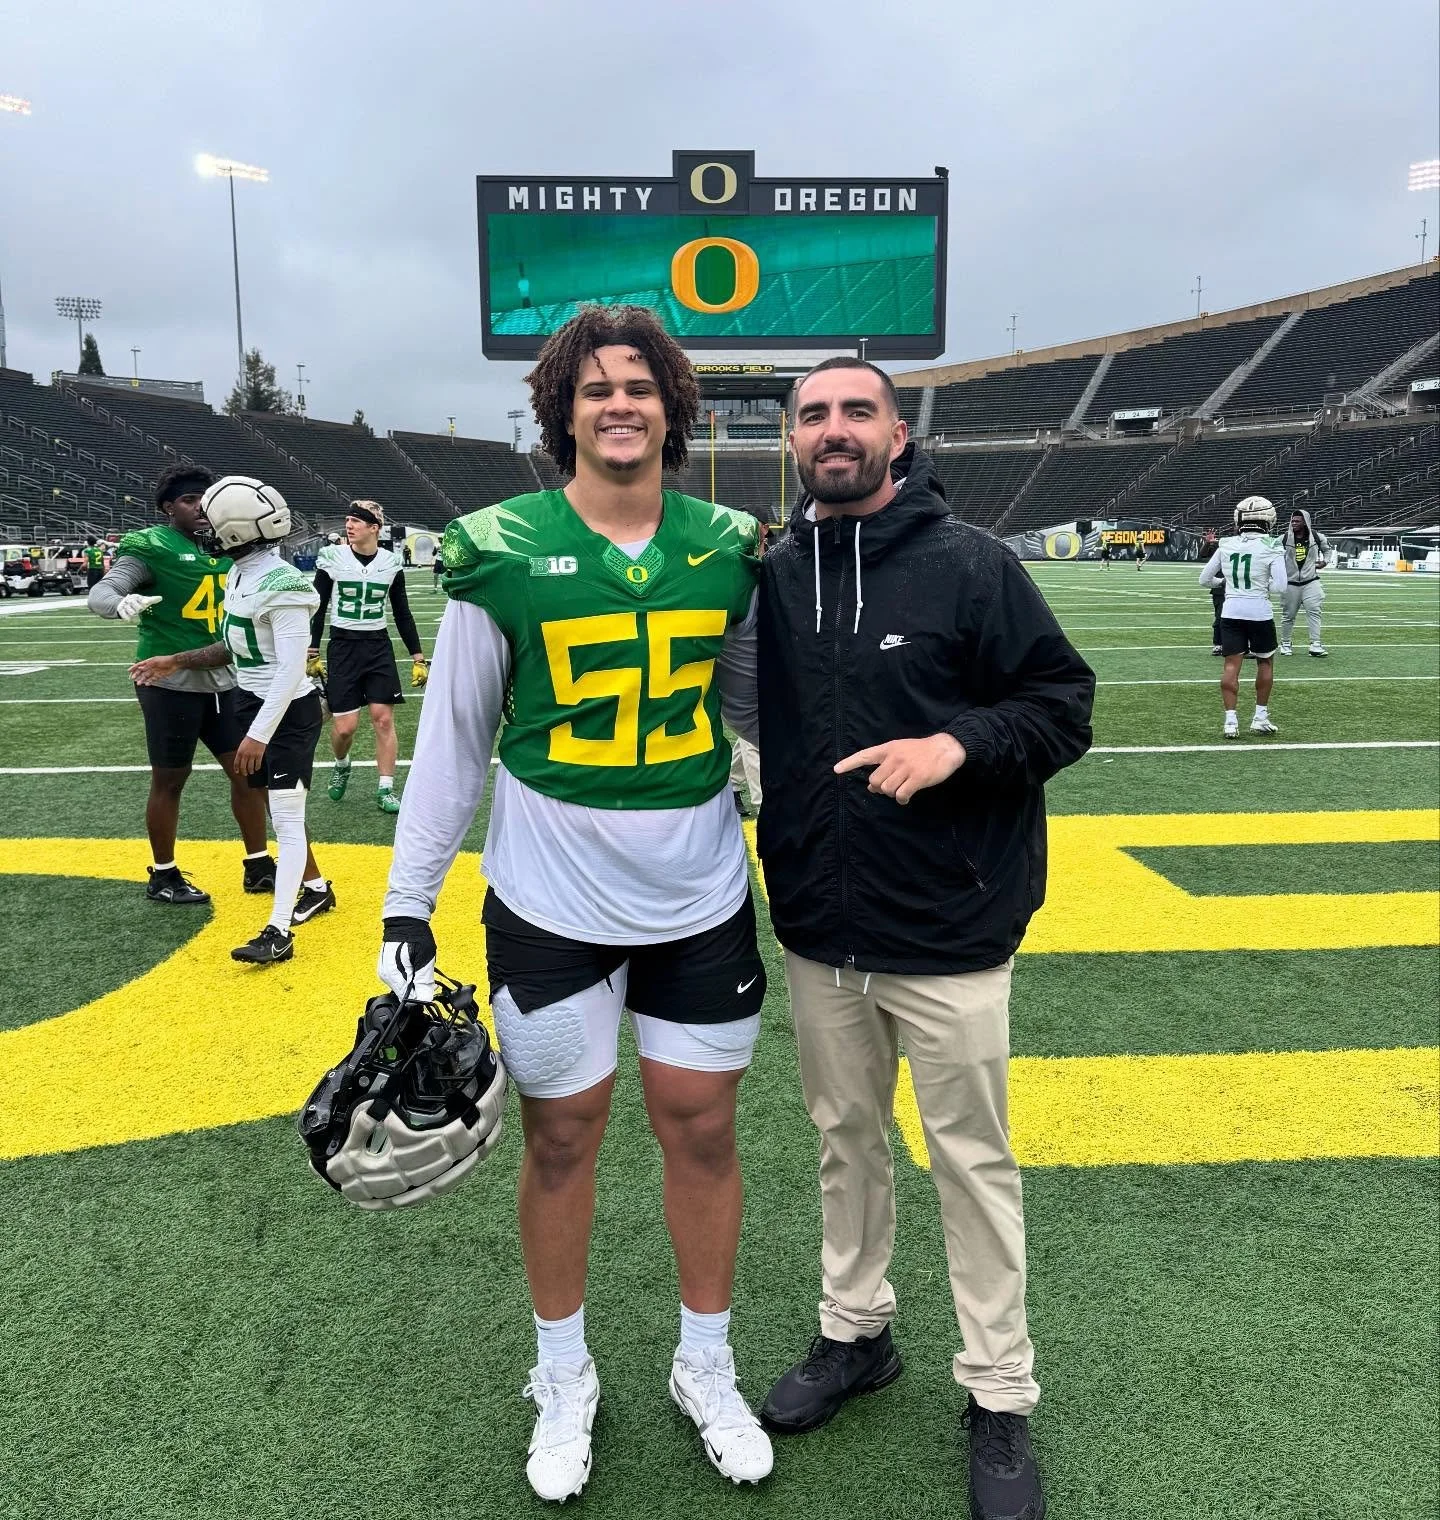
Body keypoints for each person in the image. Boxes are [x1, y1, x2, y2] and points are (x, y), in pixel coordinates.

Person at [377, 306, 773, 1501]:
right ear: (563, 410)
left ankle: (705, 1361)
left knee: (702, 1128)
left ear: (672, 407)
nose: (619, 404)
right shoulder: (500, 547)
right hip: (550, 898)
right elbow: (455, 738)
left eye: (639, 386)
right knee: (562, 1136)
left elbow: (757, 707)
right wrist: (407, 899)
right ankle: (563, 1371)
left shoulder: (728, 545)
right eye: (595, 388)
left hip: (699, 890)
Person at [753, 357, 1094, 1520]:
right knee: (845, 1139)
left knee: (971, 1160)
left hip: (951, 924)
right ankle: (857, 1331)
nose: (834, 429)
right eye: (813, 415)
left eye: (858, 410)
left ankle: (999, 1390)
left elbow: (1062, 704)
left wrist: (956, 745)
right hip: (821, 922)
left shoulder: (973, 562)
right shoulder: (777, 572)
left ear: (898, 434)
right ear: (792, 441)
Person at [131, 476, 334, 961]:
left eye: (215, 522)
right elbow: (236, 646)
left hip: (286, 713)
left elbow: (290, 670)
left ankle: (278, 932)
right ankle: (318, 888)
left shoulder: (284, 585)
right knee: (276, 811)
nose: (207, 529)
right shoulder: (242, 572)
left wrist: (259, 735)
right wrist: (176, 661)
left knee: (286, 819)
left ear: (238, 531)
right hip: (250, 701)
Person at [89, 462, 274, 905]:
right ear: (169, 508)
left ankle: (259, 863)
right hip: (168, 681)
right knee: (171, 778)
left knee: (248, 774)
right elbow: (103, 591)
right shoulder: (153, 546)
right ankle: (164, 874)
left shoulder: (230, 542)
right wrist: (119, 604)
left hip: (225, 677)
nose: (200, 508)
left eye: (204, 500)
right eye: (189, 500)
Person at [308, 500, 427, 814]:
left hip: (377, 646)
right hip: (343, 645)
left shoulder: (390, 563)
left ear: (374, 528)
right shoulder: (332, 557)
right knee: (345, 727)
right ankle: (341, 763)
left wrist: (417, 656)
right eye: (347, 520)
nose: (349, 525)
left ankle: (386, 788)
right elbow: (317, 607)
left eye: (356, 521)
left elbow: (402, 612)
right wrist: (312, 649)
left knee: (383, 719)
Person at [1198, 495, 1288, 738]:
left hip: (1231, 611)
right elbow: (1281, 586)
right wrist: (1260, 586)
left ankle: (1230, 721)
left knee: (1230, 665)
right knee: (1265, 662)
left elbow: (1204, 579)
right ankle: (1260, 717)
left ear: (1239, 519)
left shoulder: (1226, 544)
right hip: (1259, 611)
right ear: (1269, 519)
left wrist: (1225, 584)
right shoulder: (1272, 545)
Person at [1279, 507, 1329, 657]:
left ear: (1305, 522)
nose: (1294, 523)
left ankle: (1315, 644)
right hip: (1290, 582)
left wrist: (1325, 561)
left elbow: (1327, 550)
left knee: (1314, 611)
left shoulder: (1317, 537)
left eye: (1297, 521)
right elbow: (1272, 553)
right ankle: (1285, 643)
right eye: (1292, 521)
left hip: (1311, 581)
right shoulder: (1284, 538)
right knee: (1288, 615)